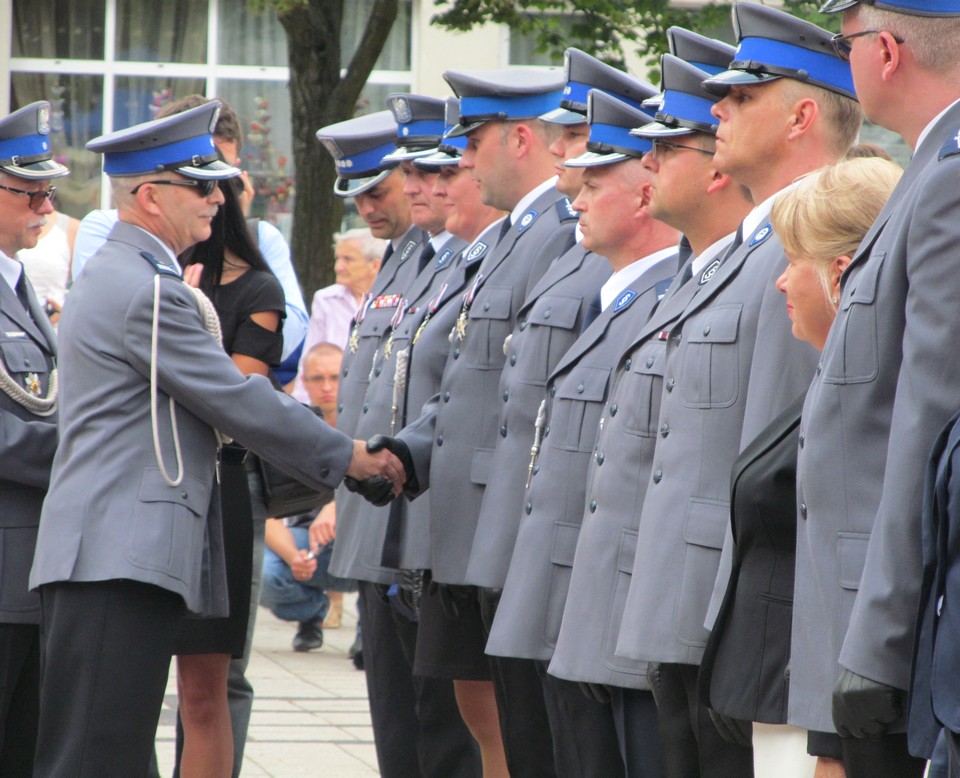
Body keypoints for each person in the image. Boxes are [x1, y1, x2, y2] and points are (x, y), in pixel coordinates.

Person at [27, 101, 404, 778]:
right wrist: (349, 456)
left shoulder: (124, 275)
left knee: (104, 750)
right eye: (199, 186)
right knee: (96, 755)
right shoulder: (148, 291)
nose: (217, 198)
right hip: (117, 555)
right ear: (150, 197)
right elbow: (236, 397)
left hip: (108, 551)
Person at [606, 6, 860, 776]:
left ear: (801, 117)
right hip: (691, 612)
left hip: (739, 623)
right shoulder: (739, 252)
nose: (716, 111)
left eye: (742, 97)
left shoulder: (809, 247)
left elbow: (793, 471)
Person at [377, 67, 579, 778]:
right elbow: (472, 380)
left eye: (470, 144)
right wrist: (407, 452)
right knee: (484, 719)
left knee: (515, 731)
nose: (460, 161)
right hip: (465, 515)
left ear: (520, 139)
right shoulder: (508, 238)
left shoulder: (557, 233)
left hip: (504, 517)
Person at [487, 86, 680, 778]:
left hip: (605, 605)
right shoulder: (615, 296)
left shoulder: (661, 301)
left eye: (595, 184)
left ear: (644, 195)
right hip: (566, 597)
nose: (575, 197)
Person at [699, 157, 903, 778]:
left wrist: (831, 743)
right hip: (794, 698)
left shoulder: (877, 397)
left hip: (839, 714)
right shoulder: (827, 384)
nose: (781, 282)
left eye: (794, 261)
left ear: (841, 273)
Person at [797, 1, 960, 776]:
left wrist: (882, 640)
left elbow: (930, 425)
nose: (847, 60)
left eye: (846, 44)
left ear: (887, 51)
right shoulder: (929, 171)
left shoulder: (947, 182)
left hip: (911, 627)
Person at [317, 104, 481, 778]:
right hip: (379, 525)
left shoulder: (465, 258)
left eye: (380, 189)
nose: (372, 206)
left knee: (444, 734)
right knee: (396, 726)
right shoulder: (402, 260)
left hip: (428, 524)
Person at [169, 167, 286, 776]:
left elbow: (238, 397)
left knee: (214, 676)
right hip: (158, 475)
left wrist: (187, 322)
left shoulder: (258, 289)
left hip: (226, 481)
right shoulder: (158, 275)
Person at [71, 95, 308, 363]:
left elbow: (289, 335)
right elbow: (115, 331)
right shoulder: (108, 230)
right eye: (203, 182)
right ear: (151, 195)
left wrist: (231, 230)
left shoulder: (261, 237)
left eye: (225, 176)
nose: (221, 195)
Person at [0, 101, 67, 777]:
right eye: (29, 192)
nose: (45, 206)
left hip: (30, 572)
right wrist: (82, 454)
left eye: (48, 192)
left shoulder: (20, 286)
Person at [262, 342, 358, 650]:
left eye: (335, 377)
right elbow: (264, 510)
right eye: (318, 378)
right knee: (263, 572)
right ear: (304, 381)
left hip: (362, 546)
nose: (327, 387)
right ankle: (313, 612)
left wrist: (336, 506)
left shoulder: (369, 423)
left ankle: (370, 631)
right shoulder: (293, 430)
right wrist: (294, 557)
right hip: (312, 546)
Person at [290, 228, 384, 400]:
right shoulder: (326, 299)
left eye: (347, 259)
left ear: (375, 265)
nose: (338, 267)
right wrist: (303, 402)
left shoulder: (393, 302)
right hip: (332, 397)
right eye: (337, 258)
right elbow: (311, 357)